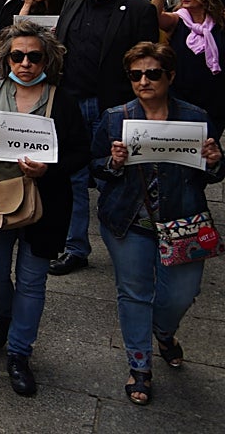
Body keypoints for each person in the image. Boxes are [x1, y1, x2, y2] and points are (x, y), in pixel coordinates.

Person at [93, 42, 222, 406]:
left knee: (181, 294)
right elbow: (94, 165)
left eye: (152, 73)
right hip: (128, 221)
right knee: (134, 293)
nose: (144, 81)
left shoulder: (195, 118)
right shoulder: (115, 117)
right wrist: (113, 163)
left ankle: (163, 332)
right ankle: (139, 366)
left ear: (170, 76)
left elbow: (213, 172)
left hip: (183, 221)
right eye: (135, 75)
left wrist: (214, 160)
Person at [0, 22, 90, 396]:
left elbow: (81, 151)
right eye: (18, 56)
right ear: (6, 59)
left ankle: (19, 353)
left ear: (47, 60)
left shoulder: (64, 101)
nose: (25, 63)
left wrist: (49, 169)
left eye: (34, 57)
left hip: (47, 203)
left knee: (32, 280)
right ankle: (5, 313)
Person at [51, 0, 159, 276]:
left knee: (116, 176)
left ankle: (129, 241)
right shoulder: (72, 2)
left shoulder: (138, 10)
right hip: (72, 104)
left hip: (113, 108)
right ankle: (75, 247)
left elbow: (146, 64)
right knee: (73, 178)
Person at [153, 0, 224, 129]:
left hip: (215, 97)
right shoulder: (176, 20)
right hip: (181, 96)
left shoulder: (219, 22)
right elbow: (152, 15)